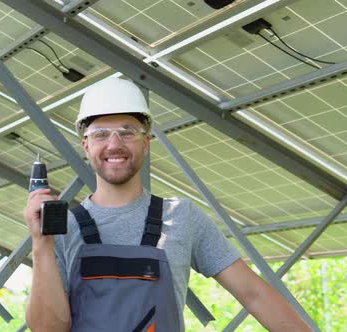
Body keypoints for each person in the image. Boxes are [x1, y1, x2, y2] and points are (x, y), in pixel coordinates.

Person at [23, 78, 311, 331]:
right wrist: (41, 245)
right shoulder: (62, 229)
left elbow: (254, 294)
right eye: (101, 134)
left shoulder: (183, 217)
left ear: (146, 142)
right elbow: (48, 330)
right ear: (86, 146)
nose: (114, 144)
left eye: (127, 132)